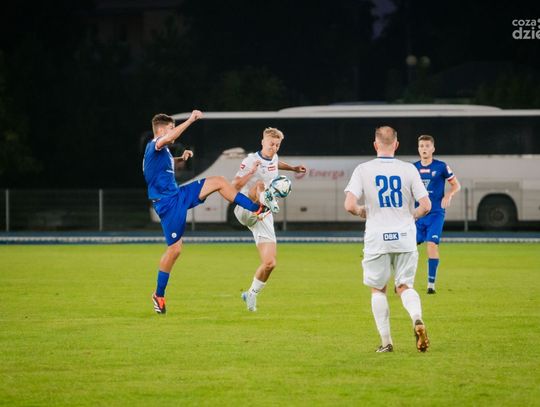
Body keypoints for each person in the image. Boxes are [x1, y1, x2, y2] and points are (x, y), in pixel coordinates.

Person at [143, 111, 277, 314]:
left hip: (178, 195)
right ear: (161, 130)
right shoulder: (155, 144)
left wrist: (180, 158)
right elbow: (168, 139)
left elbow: (163, 166)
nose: (172, 131)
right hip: (167, 204)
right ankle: (158, 295)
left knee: (219, 181)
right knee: (175, 250)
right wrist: (190, 120)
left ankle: (256, 208)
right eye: (170, 128)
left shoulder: (162, 152)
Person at [344, 126, 432, 353]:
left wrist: (361, 211)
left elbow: (349, 205)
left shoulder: (363, 169)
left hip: (377, 238)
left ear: (375, 145)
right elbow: (426, 206)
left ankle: (386, 343)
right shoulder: (409, 169)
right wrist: (411, 216)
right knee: (404, 286)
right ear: (396, 145)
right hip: (405, 237)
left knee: (378, 289)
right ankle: (417, 318)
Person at [232, 127, 306, 312]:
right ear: (262, 142)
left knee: (270, 263)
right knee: (259, 184)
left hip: (263, 215)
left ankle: (251, 294)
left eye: (277, 145)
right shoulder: (250, 160)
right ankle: (267, 199)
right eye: (271, 144)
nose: (274, 147)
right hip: (246, 208)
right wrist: (252, 171)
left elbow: (275, 163)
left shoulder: (273, 157)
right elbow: (234, 185)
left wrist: (293, 168)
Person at [414, 135, 461, 294]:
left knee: (432, 245)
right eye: (421, 146)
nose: (424, 149)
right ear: (418, 149)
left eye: (427, 146)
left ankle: (431, 285)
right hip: (418, 215)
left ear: (433, 148)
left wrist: (448, 195)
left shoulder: (441, 166)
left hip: (435, 214)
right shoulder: (413, 168)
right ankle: (404, 281)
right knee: (408, 248)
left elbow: (456, 185)